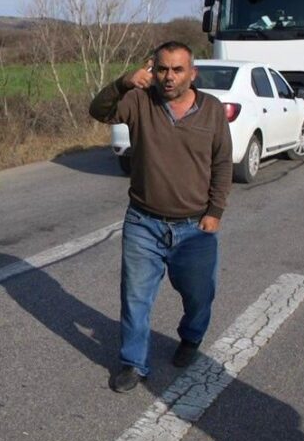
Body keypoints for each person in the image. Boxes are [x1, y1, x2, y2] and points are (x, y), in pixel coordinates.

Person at [88, 41, 232, 392]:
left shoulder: (211, 109)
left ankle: (191, 338)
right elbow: (99, 110)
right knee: (135, 296)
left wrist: (215, 212)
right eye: (162, 69)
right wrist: (124, 82)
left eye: (177, 70)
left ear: (192, 73)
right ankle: (133, 363)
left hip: (195, 227)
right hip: (143, 222)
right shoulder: (140, 101)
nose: (169, 77)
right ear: (153, 69)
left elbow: (222, 162)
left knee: (199, 295)